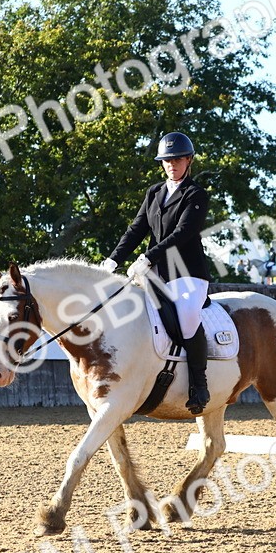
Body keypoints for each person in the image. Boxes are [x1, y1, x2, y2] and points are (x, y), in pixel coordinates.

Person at [102, 132, 210, 414]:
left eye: (177, 159)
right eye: (166, 160)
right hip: (154, 274)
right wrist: (113, 261)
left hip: (187, 273)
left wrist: (148, 256)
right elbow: (136, 229)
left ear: (188, 160)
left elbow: (183, 232)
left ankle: (199, 383)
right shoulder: (154, 193)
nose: (171, 164)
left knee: (187, 318)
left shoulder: (195, 194)